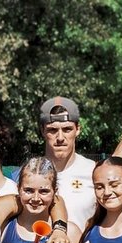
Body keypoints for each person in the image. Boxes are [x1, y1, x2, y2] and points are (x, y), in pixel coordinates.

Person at [38, 97, 96, 229]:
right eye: (52, 130)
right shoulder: (29, 174)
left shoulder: (93, 172)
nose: (60, 138)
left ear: (78, 129)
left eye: (67, 129)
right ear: (42, 131)